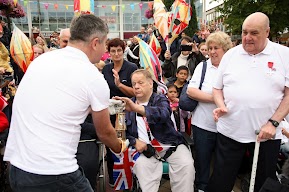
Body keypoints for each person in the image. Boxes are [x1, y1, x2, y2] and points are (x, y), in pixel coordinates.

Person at [4, 14, 127, 192]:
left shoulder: (41, 61)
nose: (104, 51)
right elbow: (105, 132)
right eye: (105, 44)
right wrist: (120, 146)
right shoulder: (92, 76)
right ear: (95, 42)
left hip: (18, 168)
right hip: (54, 173)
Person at [207, 12, 289, 192]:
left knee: (262, 183)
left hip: (267, 134)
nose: (247, 38)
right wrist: (221, 105)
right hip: (230, 131)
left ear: (267, 32)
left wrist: (273, 122)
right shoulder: (231, 55)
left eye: (254, 33)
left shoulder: (284, 54)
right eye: (244, 32)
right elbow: (217, 88)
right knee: (220, 180)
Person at [114, 69, 195, 192]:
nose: (136, 86)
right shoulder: (126, 106)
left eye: (140, 83)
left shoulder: (161, 99)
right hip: (145, 150)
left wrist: (137, 108)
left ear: (151, 83)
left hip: (170, 145)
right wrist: (134, 141)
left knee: (186, 165)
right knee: (142, 169)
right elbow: (121, 134)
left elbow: (163, 114)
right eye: (134, 83)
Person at [187, 31, 232, 192]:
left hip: (227, 127)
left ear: (226, 50)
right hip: (203, 124)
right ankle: (201, 187)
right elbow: (191, 91)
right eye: (210, 48)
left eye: (216, 48)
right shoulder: (203, 66)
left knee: (224, 162)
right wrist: (216, 98)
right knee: (202, 161)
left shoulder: (233, 68)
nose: (212, 51)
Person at [102, 38, 138, 186]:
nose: (116, 54)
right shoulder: (106, 68)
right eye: (113, 51)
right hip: (109, 113)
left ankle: (128, 177)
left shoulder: (131, 67)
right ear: (109, 52)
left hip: (126, 113)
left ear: (124, 51)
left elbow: (135, 92)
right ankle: (113, 177)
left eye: (119, 50)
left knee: (125, 143)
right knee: (111, 144)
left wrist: (119, 85)